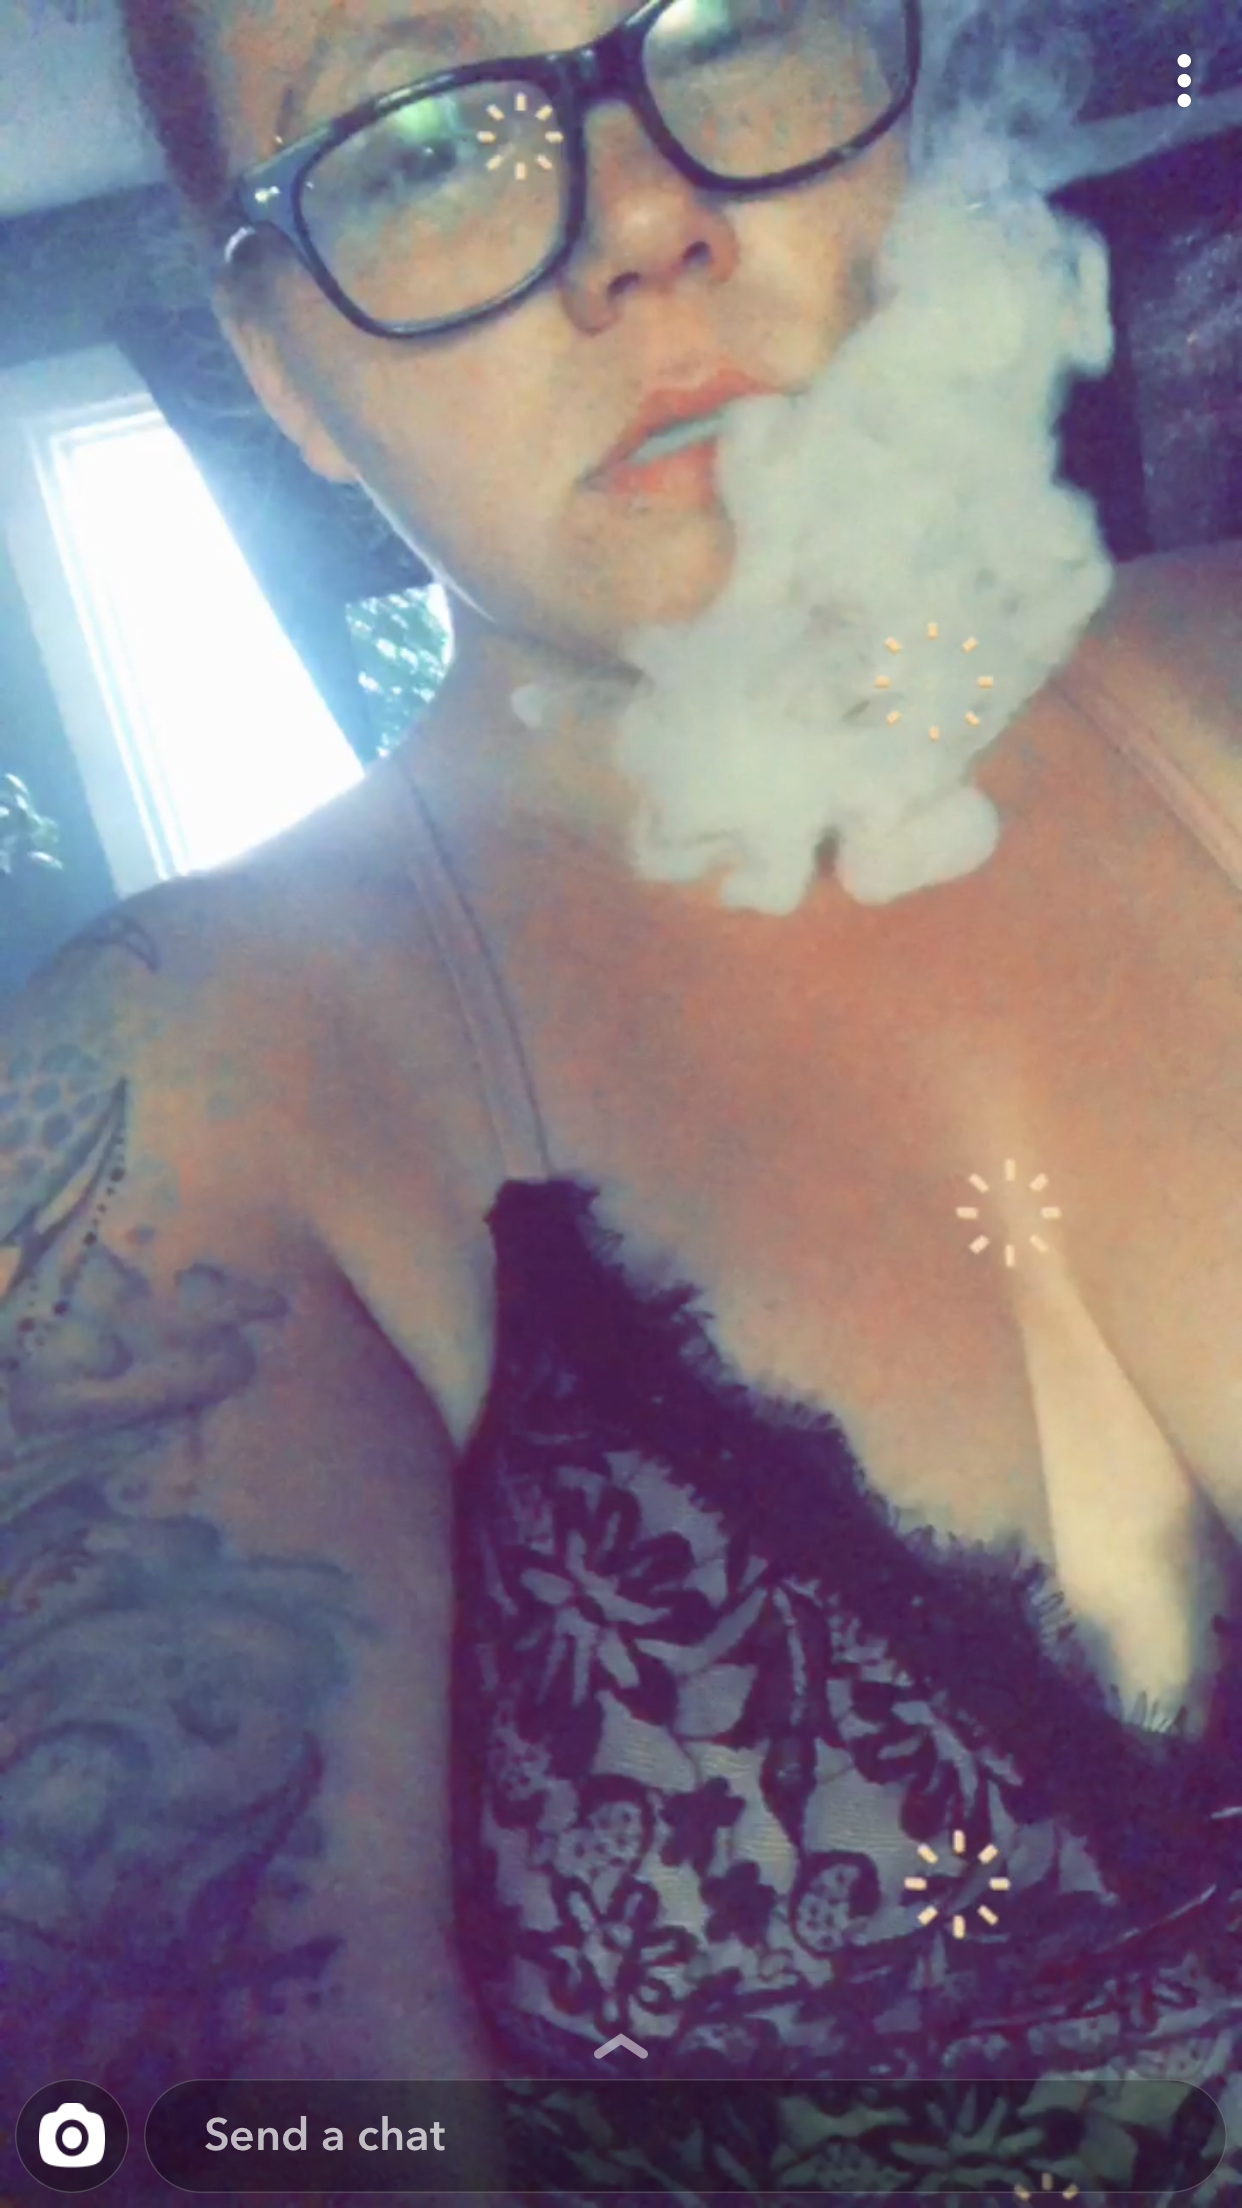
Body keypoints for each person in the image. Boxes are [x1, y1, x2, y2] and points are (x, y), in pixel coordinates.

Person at [2, 0, 1241, 2202]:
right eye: (417, 139)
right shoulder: (204, 1092)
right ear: (284, 367)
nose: (646, 216)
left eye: (732, 23)